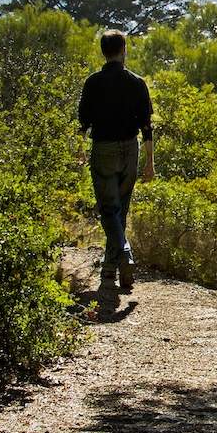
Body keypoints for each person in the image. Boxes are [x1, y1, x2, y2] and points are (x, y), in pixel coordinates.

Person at [77, 29, 155, 301]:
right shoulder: (137, 82)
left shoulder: (93, 82)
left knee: (108, 209)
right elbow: (146, 126)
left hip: (104, 149)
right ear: (123, 50)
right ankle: (111, 271)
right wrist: (149, 163)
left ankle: (123, 257)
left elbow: (83, 123)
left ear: (103, 52)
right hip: (130, 149)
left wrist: (79, 151)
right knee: (119, 209)